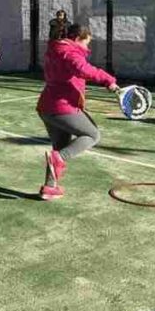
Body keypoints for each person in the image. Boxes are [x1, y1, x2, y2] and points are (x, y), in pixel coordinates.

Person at [37, 23, 118, 201]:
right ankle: (59, 159)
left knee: (59, 146)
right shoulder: (70, 52)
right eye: (86, 43)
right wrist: (108, 80)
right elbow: (83, 69)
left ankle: (49, 188)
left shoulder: (55, 48)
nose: (87, 48)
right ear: (76, 39)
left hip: (47, 107)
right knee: (92, 135)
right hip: (61, 107)